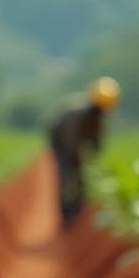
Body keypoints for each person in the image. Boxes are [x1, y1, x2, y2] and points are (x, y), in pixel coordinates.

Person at [48, 77, 120, 228]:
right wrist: (76, 157)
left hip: (75, 142)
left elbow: (97, 144)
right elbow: (69, 140)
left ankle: (78, 209)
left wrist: (94, 161)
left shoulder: (99, 119)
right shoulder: (75, 114)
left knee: (81, 176)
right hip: (60, 142)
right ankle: (66, 213)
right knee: (66, 174)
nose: (101, 112)